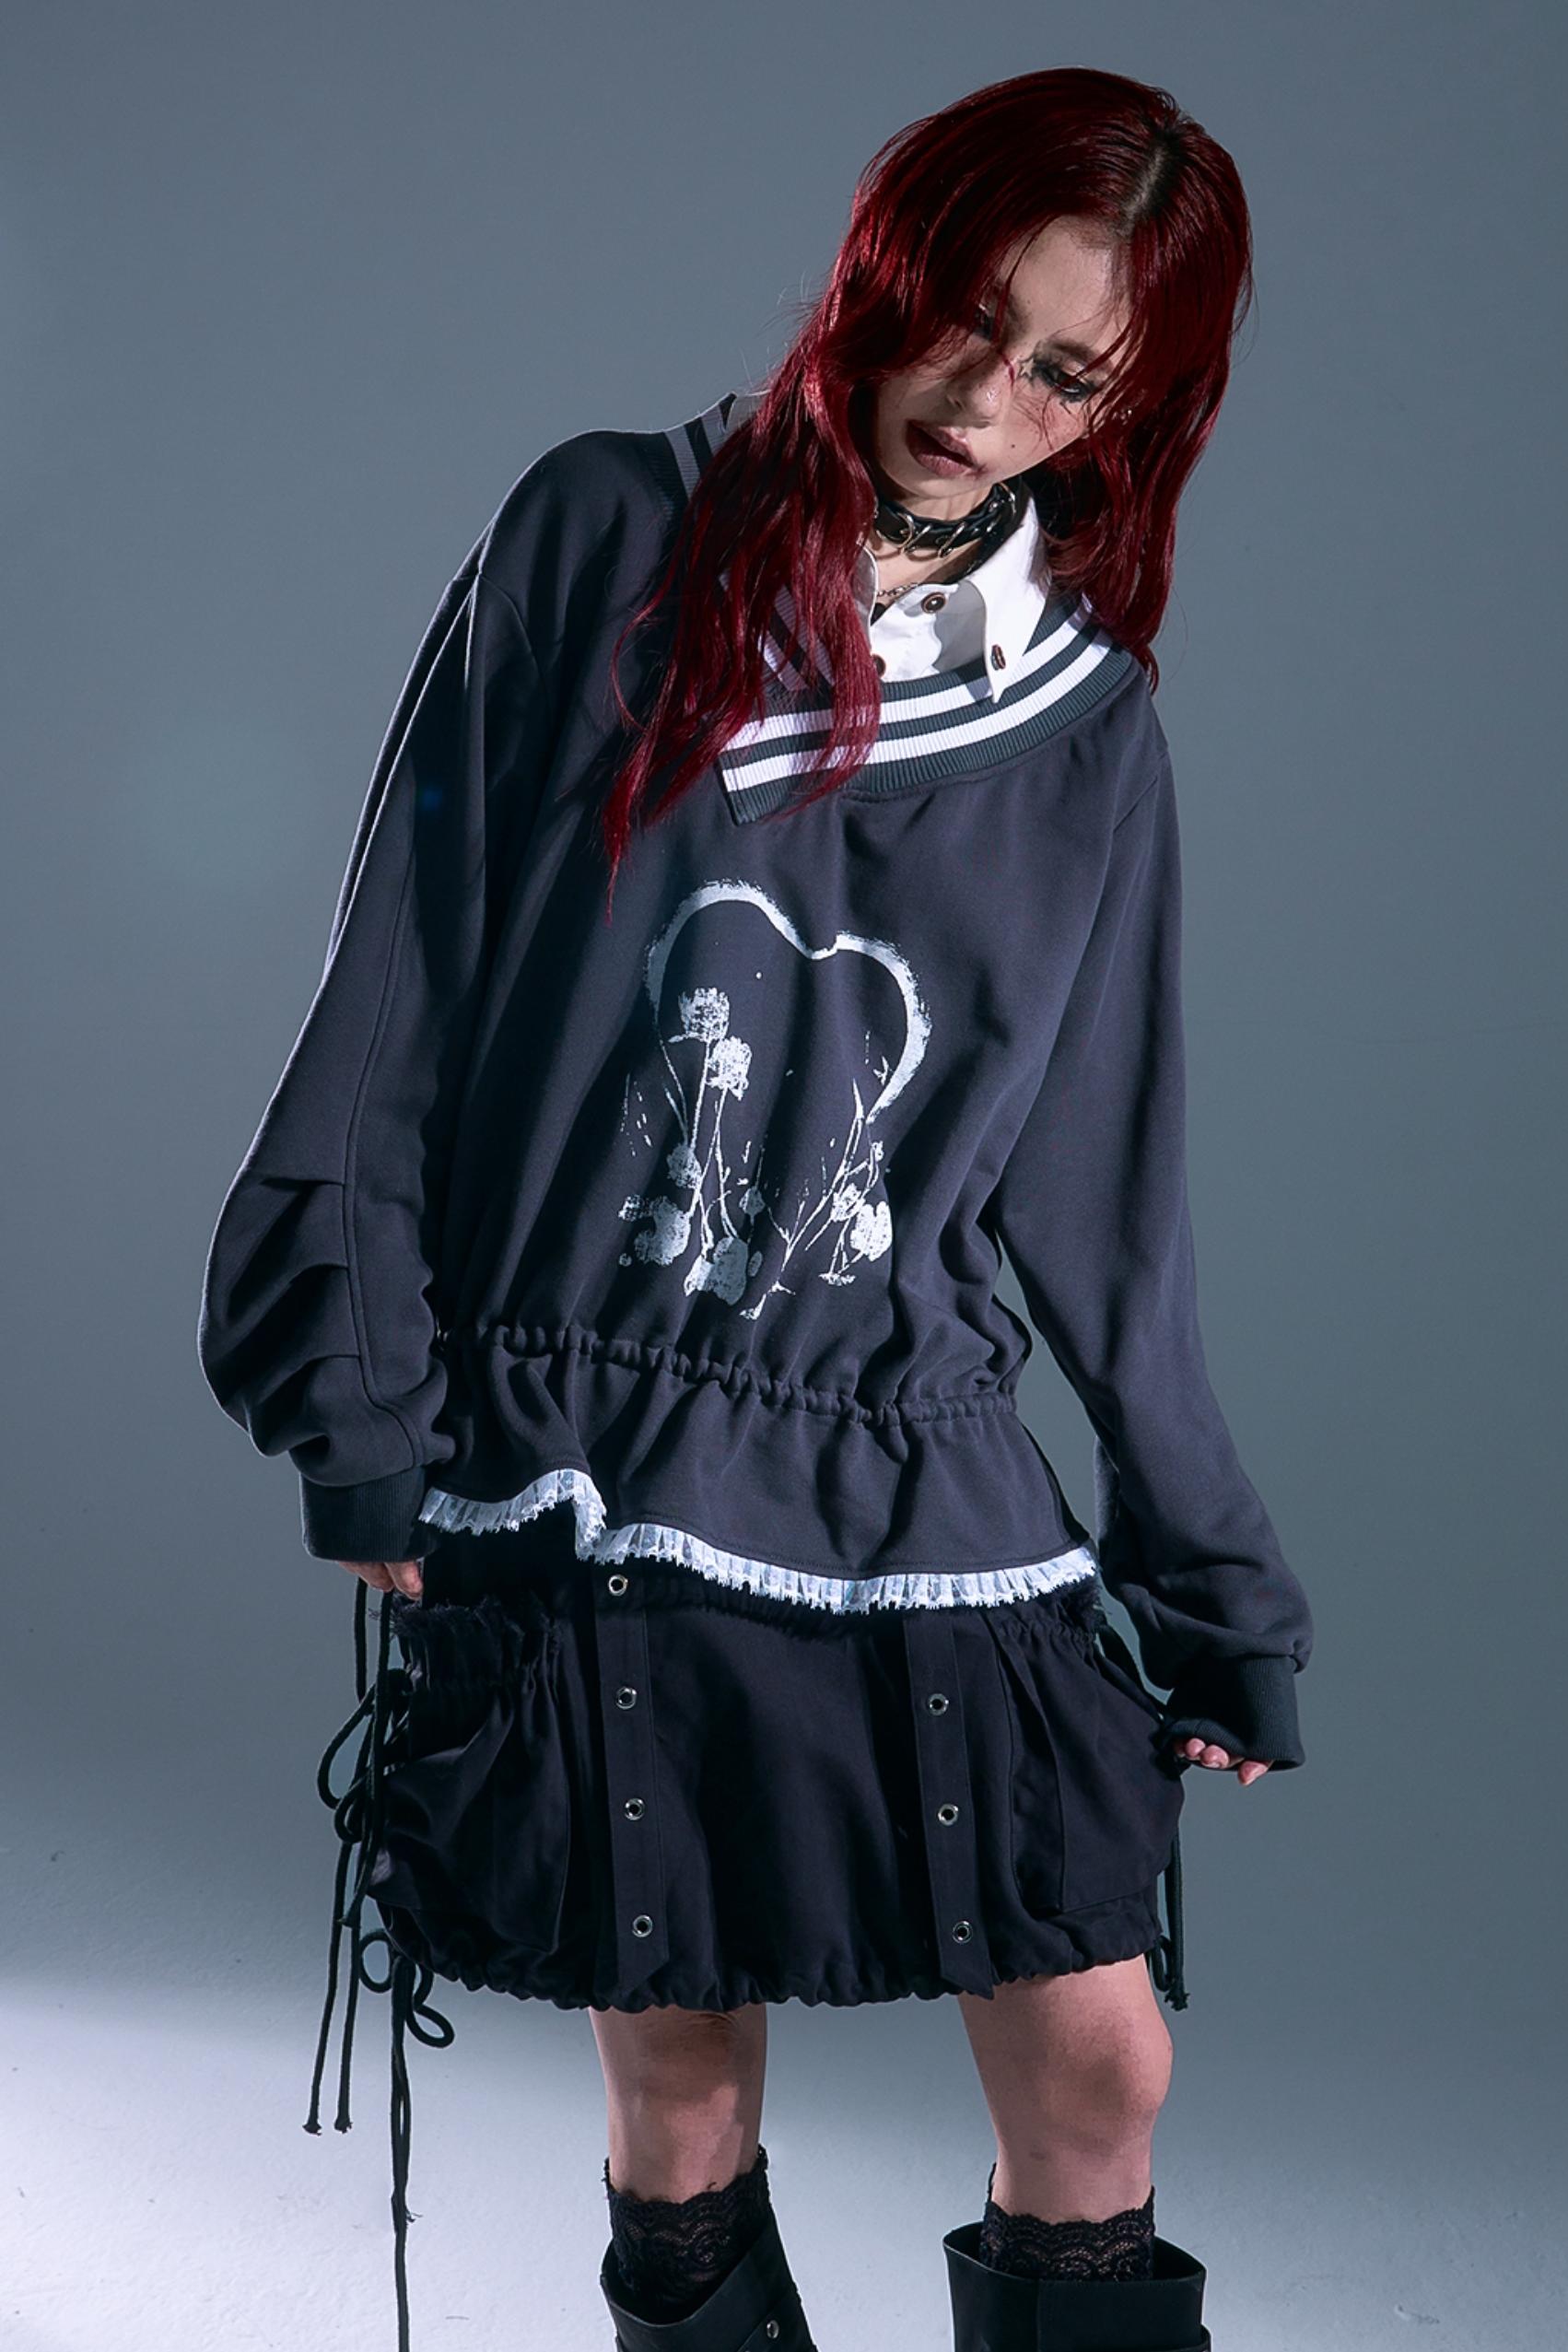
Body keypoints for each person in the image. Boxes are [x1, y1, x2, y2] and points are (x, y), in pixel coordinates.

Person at [196, 63, 1313, 2352]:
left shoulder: (1082, 718)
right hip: (590, 1432)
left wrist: (1207, 1582)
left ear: (1127, 409)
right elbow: (399, 985)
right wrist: (363, 1403)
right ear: (878, 269)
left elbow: (1102, 1192)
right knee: (682, 2073)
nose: (981, 403)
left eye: (1063, 374)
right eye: (964, 318)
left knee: (1096, 2061)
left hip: (907, 1434)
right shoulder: (609, 531)